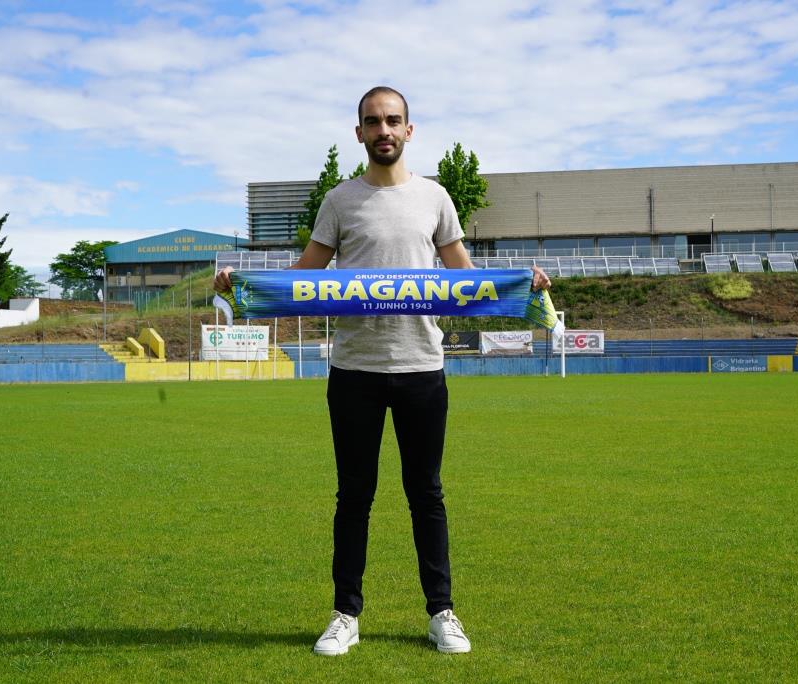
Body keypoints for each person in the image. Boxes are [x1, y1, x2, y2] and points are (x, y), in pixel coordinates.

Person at [215, 86, 550, 656]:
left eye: (393, 120)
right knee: (354, 497)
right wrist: (243, 286)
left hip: (422, 366)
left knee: (427, 494)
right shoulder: (340, 202)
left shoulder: (437, 198)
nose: (384, 130)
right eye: (374, 122)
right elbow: (304, 278)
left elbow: (466, 282)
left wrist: (522, 286)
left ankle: (442, 612)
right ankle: (345, 614)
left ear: (409, 130)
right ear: (360, 133)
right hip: (354, 370)